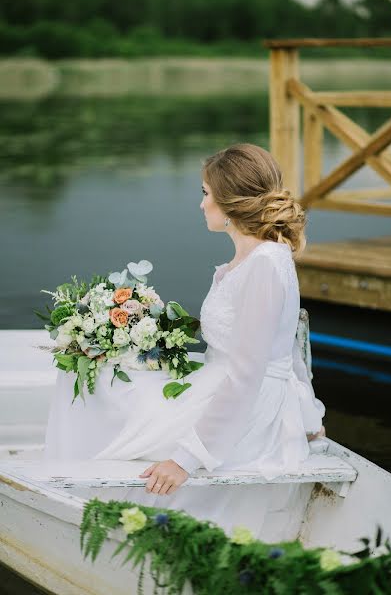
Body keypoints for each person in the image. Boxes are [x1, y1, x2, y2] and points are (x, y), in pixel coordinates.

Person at [45, 142, 326, 540]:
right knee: (96, 377)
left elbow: (250, 374)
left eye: (205, 193)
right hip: (221, 385)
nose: (201, 204)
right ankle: (70, 498)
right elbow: (289, 346)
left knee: (101, 397)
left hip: (245, 406)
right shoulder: (247, 262)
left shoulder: (265, 265)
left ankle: (77, 507)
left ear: (229, 203)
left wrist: (186, 459)